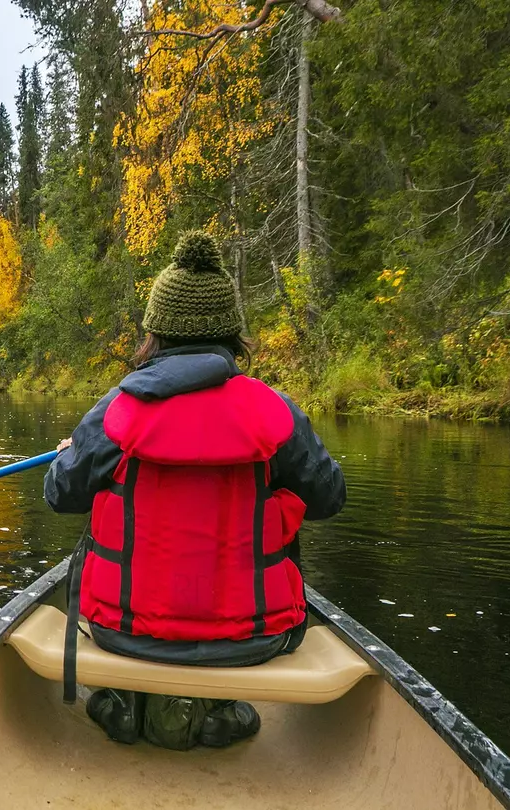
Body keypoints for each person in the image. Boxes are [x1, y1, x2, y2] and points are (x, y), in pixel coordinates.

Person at [43, 231, 345, 751]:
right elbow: (328, 498)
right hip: (256, 638)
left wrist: (75, 451)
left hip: (122, 632)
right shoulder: (275, 411)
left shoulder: (117, 410)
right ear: (232, 337)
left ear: (154, 335)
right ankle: (215, 711)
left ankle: (126, 700)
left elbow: (59, 493)